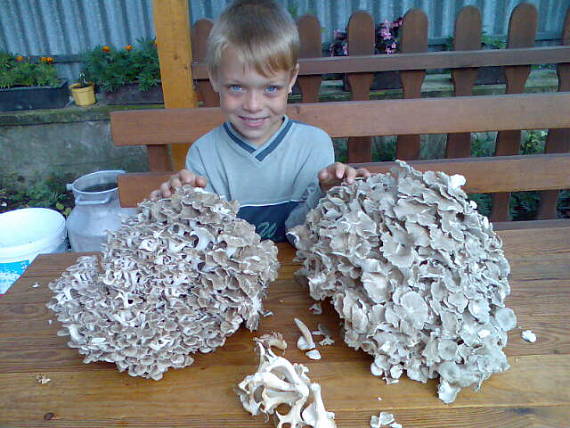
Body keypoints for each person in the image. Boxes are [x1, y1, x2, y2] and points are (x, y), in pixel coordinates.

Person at [151, 0, 369, 242]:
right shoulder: (204, 154)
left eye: (271, 88)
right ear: (214, 78)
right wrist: (178, 205)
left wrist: (328, 192)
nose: (253, 105)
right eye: (236, 87)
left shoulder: (314, 145)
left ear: (291, 78)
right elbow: (207, 240)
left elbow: (304, 234)